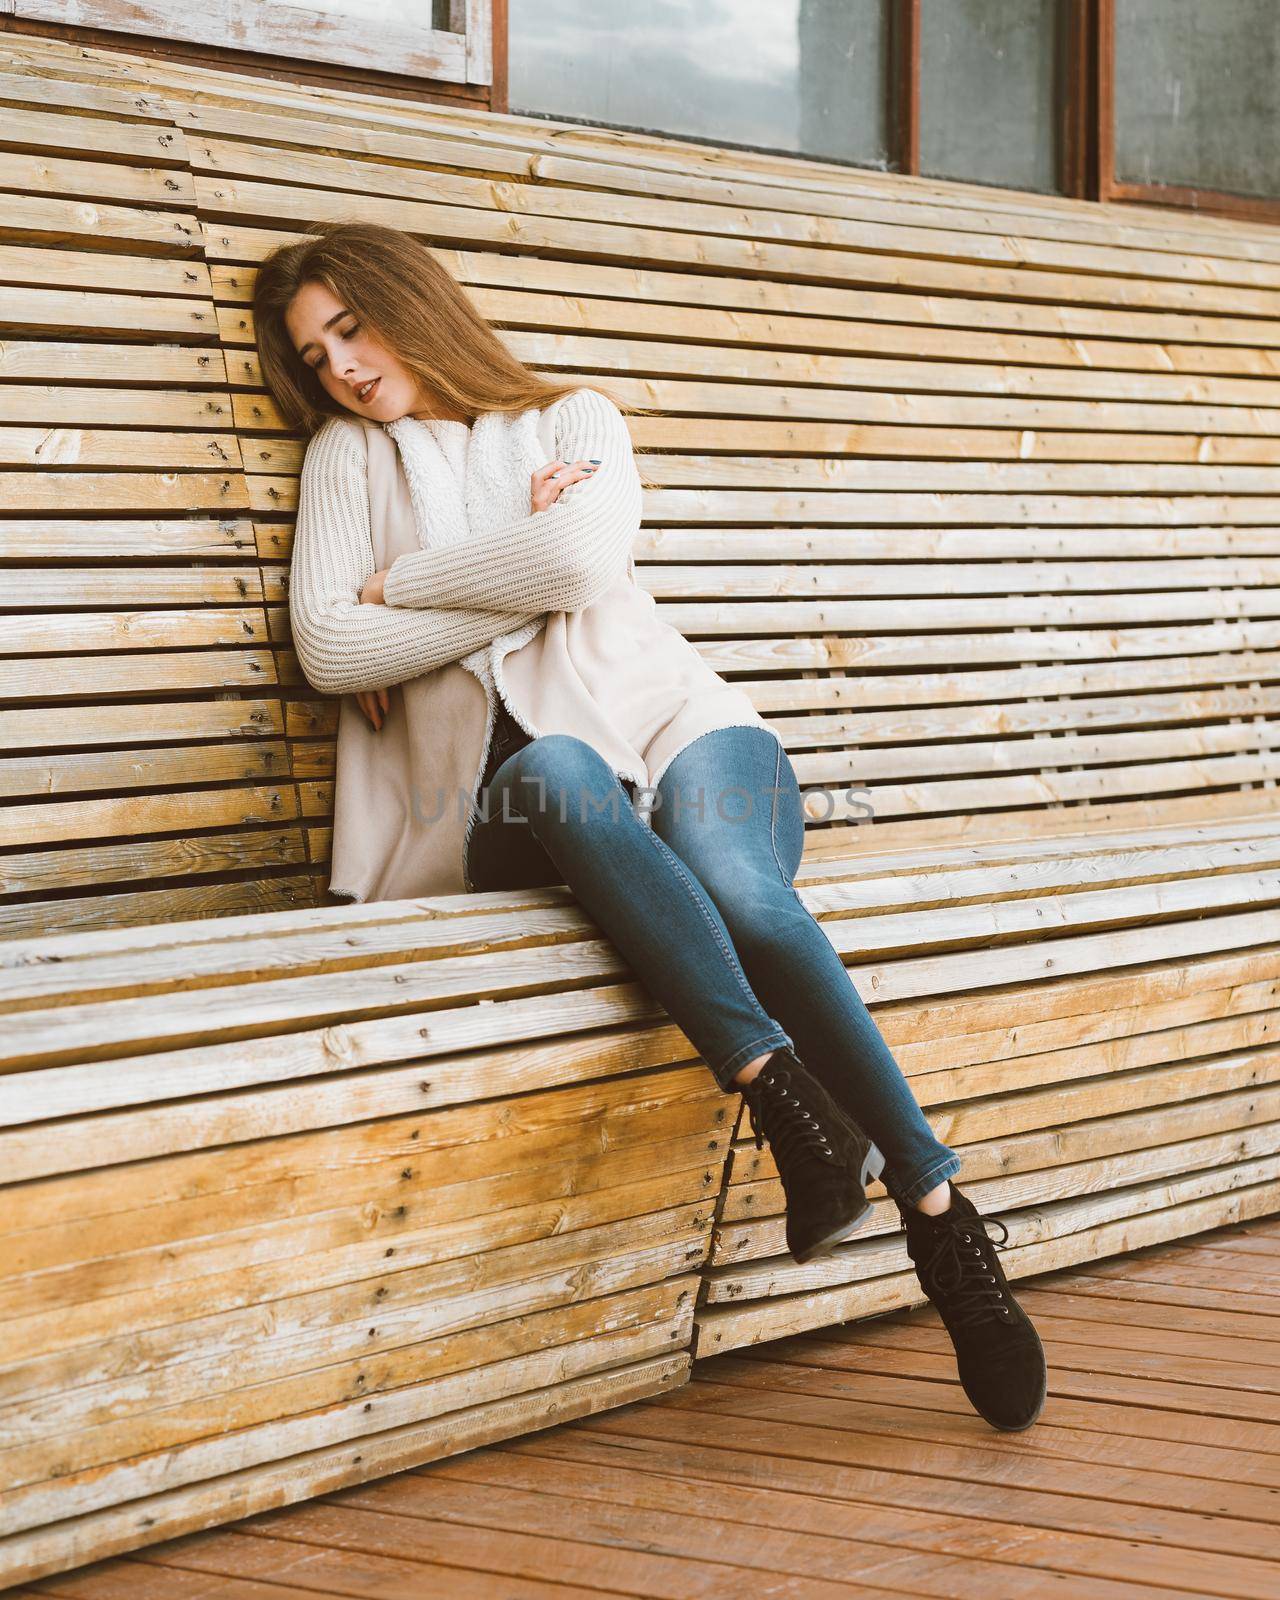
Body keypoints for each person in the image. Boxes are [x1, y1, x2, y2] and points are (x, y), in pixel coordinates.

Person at [253, 221, 1047, 1433]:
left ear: (412, 303)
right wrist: (507, 569)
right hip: (505, 796)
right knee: (565, 768)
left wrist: (400, 584)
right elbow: (328, 646)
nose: (342, 369)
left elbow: (575, 562)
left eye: (351, 330)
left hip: (683, 726)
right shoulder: (346, 465)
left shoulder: (571, 420)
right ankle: (782, 1092)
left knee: (738, 890)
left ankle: (938, 1216)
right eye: (315, 357)